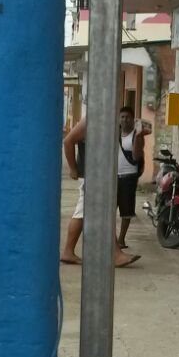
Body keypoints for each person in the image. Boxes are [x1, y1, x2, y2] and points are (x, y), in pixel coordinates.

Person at [60, 113, 139, 269]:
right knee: (103, 213)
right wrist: (73, 168)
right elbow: (68, 141)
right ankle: (115, 254)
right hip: (91, 175)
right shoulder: (90, 120)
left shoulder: (106, 119)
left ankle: (68, 251)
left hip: (98, 175)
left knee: (82, 213)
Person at [116, 107, 145, 254]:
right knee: (110, 209)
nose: (124, 120)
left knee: (126, 210)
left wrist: (139, 137)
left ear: (132, 119)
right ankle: (113, 240)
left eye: (127, 117)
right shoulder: (114, 133)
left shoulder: (136, 135)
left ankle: (121, 239)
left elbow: (136, 156)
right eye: (122, 117)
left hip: (129, 177)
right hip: (113, 176)